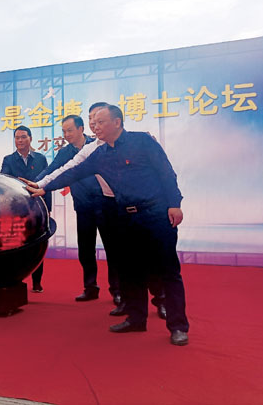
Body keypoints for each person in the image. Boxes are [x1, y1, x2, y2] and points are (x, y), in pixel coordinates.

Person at [27, 105, 189, 346]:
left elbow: (166, 172)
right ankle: (136, 318)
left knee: (166, 270)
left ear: (117, 122)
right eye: (93, 122)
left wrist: (174, 204)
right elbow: (73, 172)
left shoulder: (142, 141)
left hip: (155, 214)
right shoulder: (99, 154)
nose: (95, 126)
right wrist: (43, 187)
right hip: (125, 216)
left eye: (100, 122)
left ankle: (178, 326)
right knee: (130, 270)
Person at [32, 112, 121, 303]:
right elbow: (53, 171)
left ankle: (117, 290)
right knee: (86, 249)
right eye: (64, 131)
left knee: (112, 248)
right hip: (83, 206)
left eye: (70, 130)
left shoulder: (97, 145)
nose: (66, 135)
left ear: (81, 129)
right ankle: (90, 287)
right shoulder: (65, 153)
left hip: (105, 205)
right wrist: (34, 183)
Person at [0, 125, 52, 293]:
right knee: (14, 245)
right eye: (17, 138)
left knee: (38, 243)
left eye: (23, 137)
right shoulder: (8, 159)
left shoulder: (40, 158)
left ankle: (37, 281)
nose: (20, 140)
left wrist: (48, 208)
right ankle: (15, 279)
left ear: (30, 138)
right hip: (16, 208)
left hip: (37, 207)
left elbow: (46, 183)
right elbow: (4, 180)